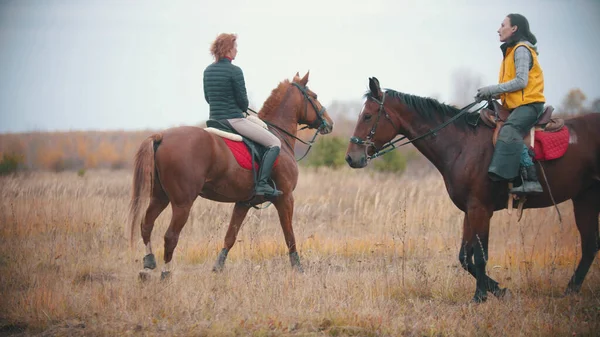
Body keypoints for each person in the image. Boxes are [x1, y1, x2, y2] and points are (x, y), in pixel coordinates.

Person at [203, 33, 282, 198]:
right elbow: (243, 102)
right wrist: (240, 107)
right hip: (234, 120)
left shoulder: (208, 71)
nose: (236, 51)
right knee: (274, 142)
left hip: (214, 121)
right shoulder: (235, 71)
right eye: (235, 48)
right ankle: (261, 185)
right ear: (228, 50)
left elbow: (208, 98)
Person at [475, 14, 545, 194]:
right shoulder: (510, 52)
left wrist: (492, 89)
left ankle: (531, 179)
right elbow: (511, 88)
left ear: (514, 28)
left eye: (502, 25)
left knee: (509, 130)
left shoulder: (521, 49)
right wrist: (489, 94)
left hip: (530, 106)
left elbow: (521, 82)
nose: (499, 29)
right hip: (517, 105)